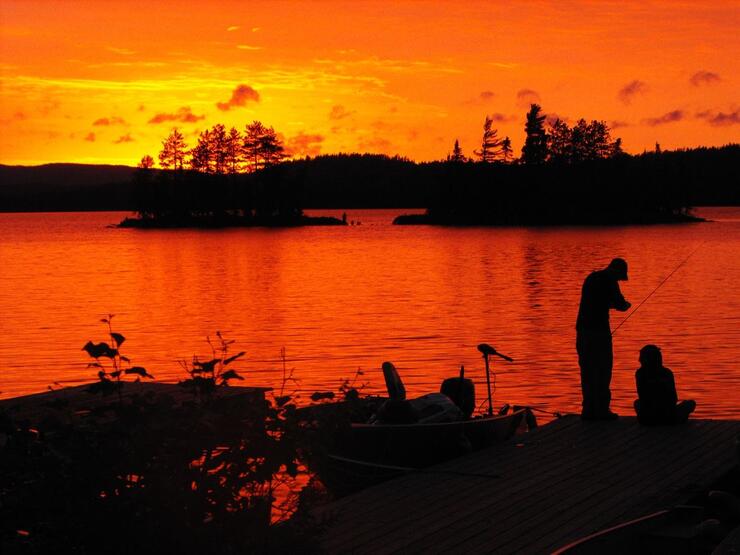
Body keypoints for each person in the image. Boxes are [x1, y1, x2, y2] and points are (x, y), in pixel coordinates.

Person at [576, 258, 631, 420]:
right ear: (616, 271)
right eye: (620, 277)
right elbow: (620, 304)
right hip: (599, 332)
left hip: (583, 331)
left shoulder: (591, 278)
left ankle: (588, 411)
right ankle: (601, 410)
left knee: (587, 372)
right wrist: (626, 305)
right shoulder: (610, 282)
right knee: (603, 370)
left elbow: (597, 301)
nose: (619, 280)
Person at [634, 344, 696, 425]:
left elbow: (642, 397)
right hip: (667, 415)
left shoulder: (640, 373)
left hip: (648, 417)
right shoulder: (667, 373)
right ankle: (674, 419)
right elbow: (674, 399)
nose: (639, 360)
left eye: (642, 357)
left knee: (637, 403)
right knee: (690, 403)